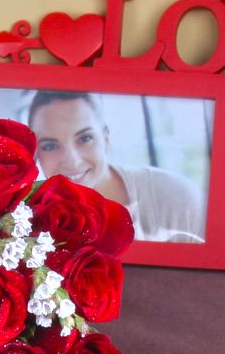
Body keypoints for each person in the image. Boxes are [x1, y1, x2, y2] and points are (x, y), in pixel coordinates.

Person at [27, 90, 206, 243]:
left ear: (106, 139)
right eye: (50, 146)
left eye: (85, 138)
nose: (72, 161)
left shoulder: (177, 198)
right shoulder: (26, 221)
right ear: (36, 154)